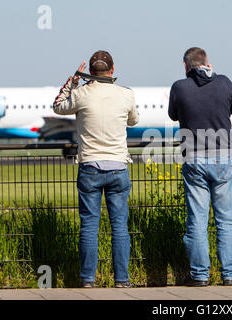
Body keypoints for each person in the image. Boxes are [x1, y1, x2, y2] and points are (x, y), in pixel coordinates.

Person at [53, 50, 139, 288]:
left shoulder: (81, 94)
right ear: (112, 70)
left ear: (90, 72)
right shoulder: (126, 94)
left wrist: (72, 82)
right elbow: (134, 120)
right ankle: (122, 279)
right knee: (119, 226)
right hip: (119, 166)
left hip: (90, 166)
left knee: (89, 225)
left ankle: (88, 280)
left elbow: (58, 106)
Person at [168, 47, 232, 286]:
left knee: (198, 220)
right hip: (223, 157)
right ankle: (229, 275)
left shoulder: (179, 87)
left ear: (186, 66)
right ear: (208, 62)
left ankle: (200, 276)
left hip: (194, 158)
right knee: (225, 220)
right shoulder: (224, 82)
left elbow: (172, 114)